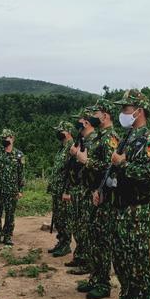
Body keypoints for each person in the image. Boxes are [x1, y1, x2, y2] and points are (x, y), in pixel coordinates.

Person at [101, 89, 150, 299]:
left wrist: (123, 164)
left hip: (138, 209)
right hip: (120, 206)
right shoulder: (127, 137)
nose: (122, 113)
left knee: (137, 260)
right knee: (121, 259)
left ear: (139, 111)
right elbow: (114, 168)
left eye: (126, 109)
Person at [75, 98, 119, 299]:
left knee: (101, 241)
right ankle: (95, 278)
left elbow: (112, 169)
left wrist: (87, 161)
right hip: (93, 193)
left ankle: (103, 283)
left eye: (96, 113)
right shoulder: (100, 136)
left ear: (105, 115)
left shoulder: (110, 138)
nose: (92, 116)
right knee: (93, 239)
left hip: (104, 197)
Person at [64, 106, 98, 275]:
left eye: (79, 120)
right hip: (79, 188)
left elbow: (92, 165)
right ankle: (80, 256)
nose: (77, 123)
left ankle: (87, 261)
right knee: (78, 225)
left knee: (86, 227)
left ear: (86, 122)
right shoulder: (81, 140)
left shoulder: (94, 140)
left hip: (87, 190)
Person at [46, 121, 74, 257]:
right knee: (58, 218)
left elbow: (71, 172)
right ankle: (61, 242)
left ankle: (66, 244)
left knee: (65, 219)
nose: (58, 133)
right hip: (56, 189)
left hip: (64, 190)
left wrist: (67, 191)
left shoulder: (72, 147)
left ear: (67, 132)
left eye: (60, 130)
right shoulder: (62, 147)